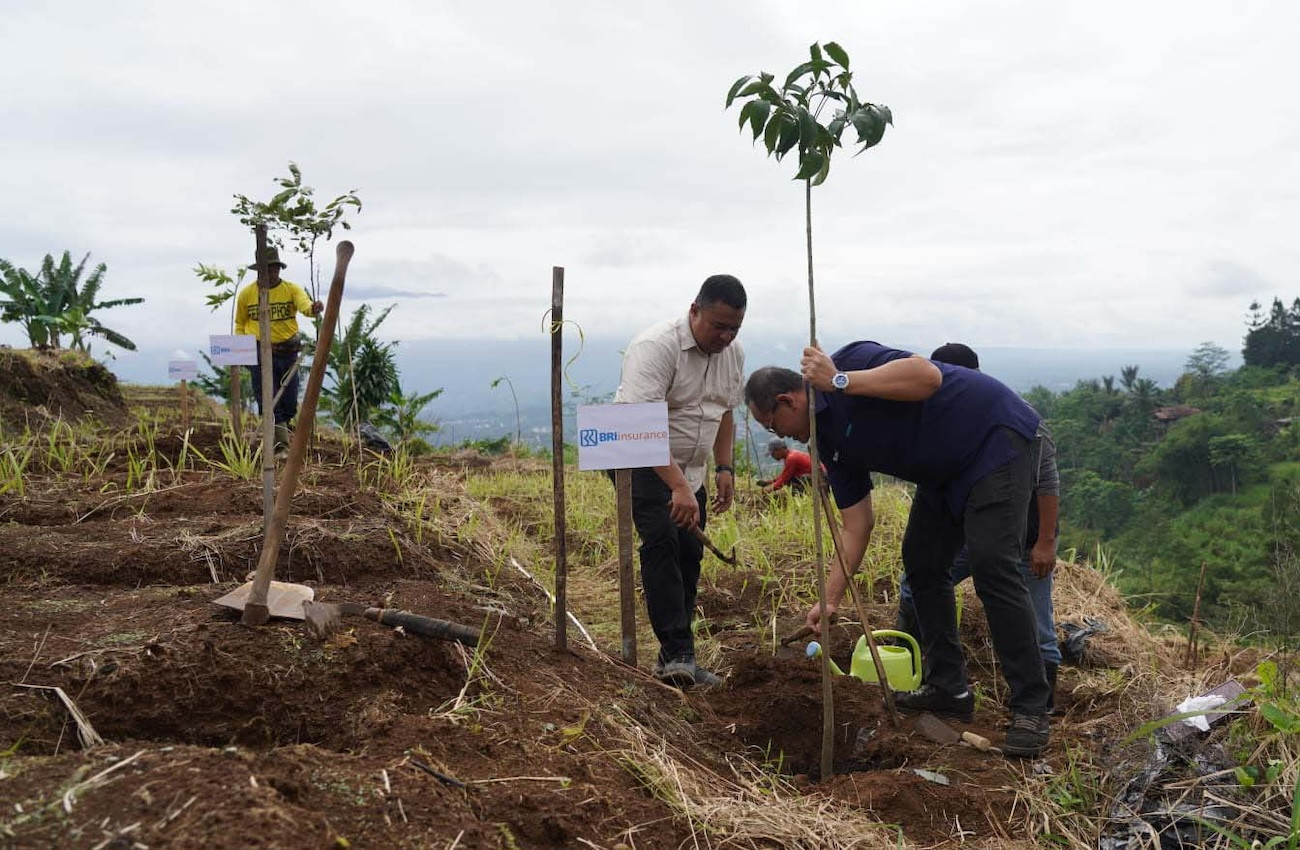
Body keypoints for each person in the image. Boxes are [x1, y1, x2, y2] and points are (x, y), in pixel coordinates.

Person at [744, 341, 1053, 757]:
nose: (783, 437)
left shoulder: (851, 361)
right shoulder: (830, 446)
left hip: (995, 440)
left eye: (777, 426)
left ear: (788, 400)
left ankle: (1031, 708)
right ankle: (949, 689)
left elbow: (928, 376)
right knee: (923, 564)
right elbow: (857, 525)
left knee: (992, 566)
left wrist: (838, 381)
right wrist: (830, 599)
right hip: (943, 472)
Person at [895, 343, 1063, 712]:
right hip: (970, 534)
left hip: (1024, 537)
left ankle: (1039, 706)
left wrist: (1045, 542)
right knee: (916, 583)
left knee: (1038, 623)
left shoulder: (1021, 422)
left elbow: (1048, 484)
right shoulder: (945, 419)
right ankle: (918, 669)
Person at [614, 275, 746, 689]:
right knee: (663, 541)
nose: (726, 336)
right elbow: (640, 426)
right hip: (639, 459)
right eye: (718, 325)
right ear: (694, 311)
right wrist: (678, 487)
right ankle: (678, 657)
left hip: (691, 470)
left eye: (734, 328)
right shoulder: (656, 347)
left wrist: (723, 468)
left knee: (690, 552)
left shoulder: (733, 354)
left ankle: (674, 655)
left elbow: (725, 413)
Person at [234, 247, 323, 451]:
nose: (271, 273)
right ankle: (280, 445)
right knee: (267, 397)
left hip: (287, 350)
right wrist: (244, 348)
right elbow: (240, 323)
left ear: (279, 269)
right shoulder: (247, 294)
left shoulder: (291, 289)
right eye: (266, 269)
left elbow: (305, 306)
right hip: (258, 350)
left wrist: (313, 309)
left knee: (289, 399)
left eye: (274, 268)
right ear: (259, 271)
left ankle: (283, 428)